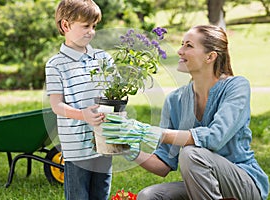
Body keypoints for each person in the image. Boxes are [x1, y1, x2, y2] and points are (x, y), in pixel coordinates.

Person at [102, 25, 269, 200]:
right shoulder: (175, 100)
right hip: (203, 187)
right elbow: (163, 164)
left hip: (243, 185)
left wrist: (148, 132)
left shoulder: (236, 87)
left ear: (210, 56)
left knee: (191, 153)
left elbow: (214, 138)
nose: (180, 51)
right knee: (149, 196)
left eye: (188, 46)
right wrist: (127, 148)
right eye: (182, 44)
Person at [45, 0, 113, 199]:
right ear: (66, 25)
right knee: (78, 195)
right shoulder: (56, 65)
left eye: (94, 26)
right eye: (85, 26)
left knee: (101, 193)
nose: (91, 31)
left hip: (104, 142)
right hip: (76, 147)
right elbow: (56, 105)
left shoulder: (103, 58)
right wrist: (83, 115)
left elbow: (112, 95)